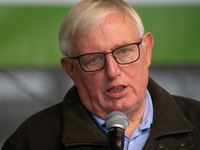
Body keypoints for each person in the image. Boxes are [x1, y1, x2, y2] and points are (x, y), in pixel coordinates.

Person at [2, 0, 200, 149]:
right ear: (71, 70)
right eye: (94, 59)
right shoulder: (31, 140)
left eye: (123, 51)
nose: (112, 72)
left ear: (147, 50)